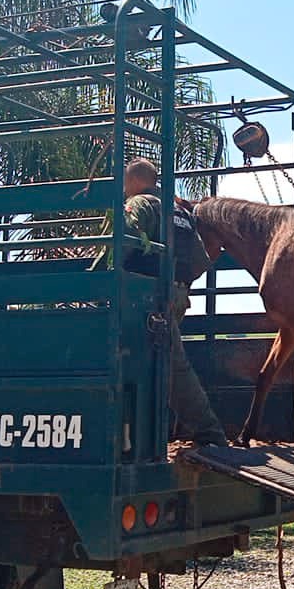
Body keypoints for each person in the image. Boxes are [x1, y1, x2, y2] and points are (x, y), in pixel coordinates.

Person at [120, 158, 228, 447]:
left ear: (134, 180)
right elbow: (201, 261)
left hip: (145, 299)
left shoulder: (140, 204)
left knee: (170, 367)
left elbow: (124, 239)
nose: (123, 187)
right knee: (157, 364)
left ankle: (209, 433)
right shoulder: (179, 210)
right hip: (176, 296)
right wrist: (179, 283)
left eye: (125, 181)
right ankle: (144, 437)